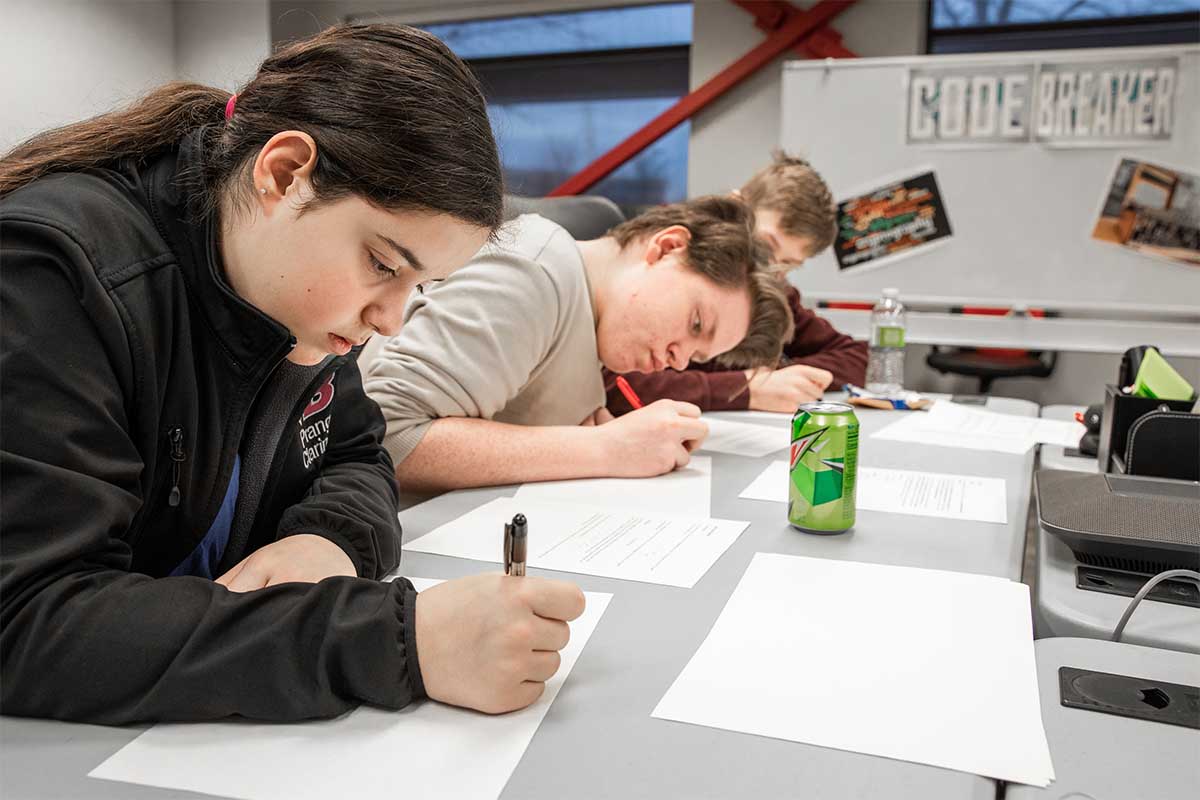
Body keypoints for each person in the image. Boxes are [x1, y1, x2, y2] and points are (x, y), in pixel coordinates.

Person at [0, 24, 584, 724]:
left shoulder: (298, 304)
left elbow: (360, 454)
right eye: (383, 264)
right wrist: (395, 640)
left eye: (417, 285)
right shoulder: (55, 276)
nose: (391, 320)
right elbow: (29, 619)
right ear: (282, 174)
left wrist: (328, 537)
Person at [361, 196, 793, 493]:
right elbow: (385, 439)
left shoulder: (595, 325)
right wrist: (606, 450)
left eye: (698, 356)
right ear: (667, 248)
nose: (679, 360)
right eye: (695, 322)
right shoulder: (534, 271)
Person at [606, 153, 868, 415]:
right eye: (765, 246)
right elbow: (617, 385)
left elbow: (857, 357)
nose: (770, 267)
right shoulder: (678, 268)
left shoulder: (772, 289)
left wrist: (772, 379)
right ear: (735, 205)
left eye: (787, 264)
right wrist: (745, 387)